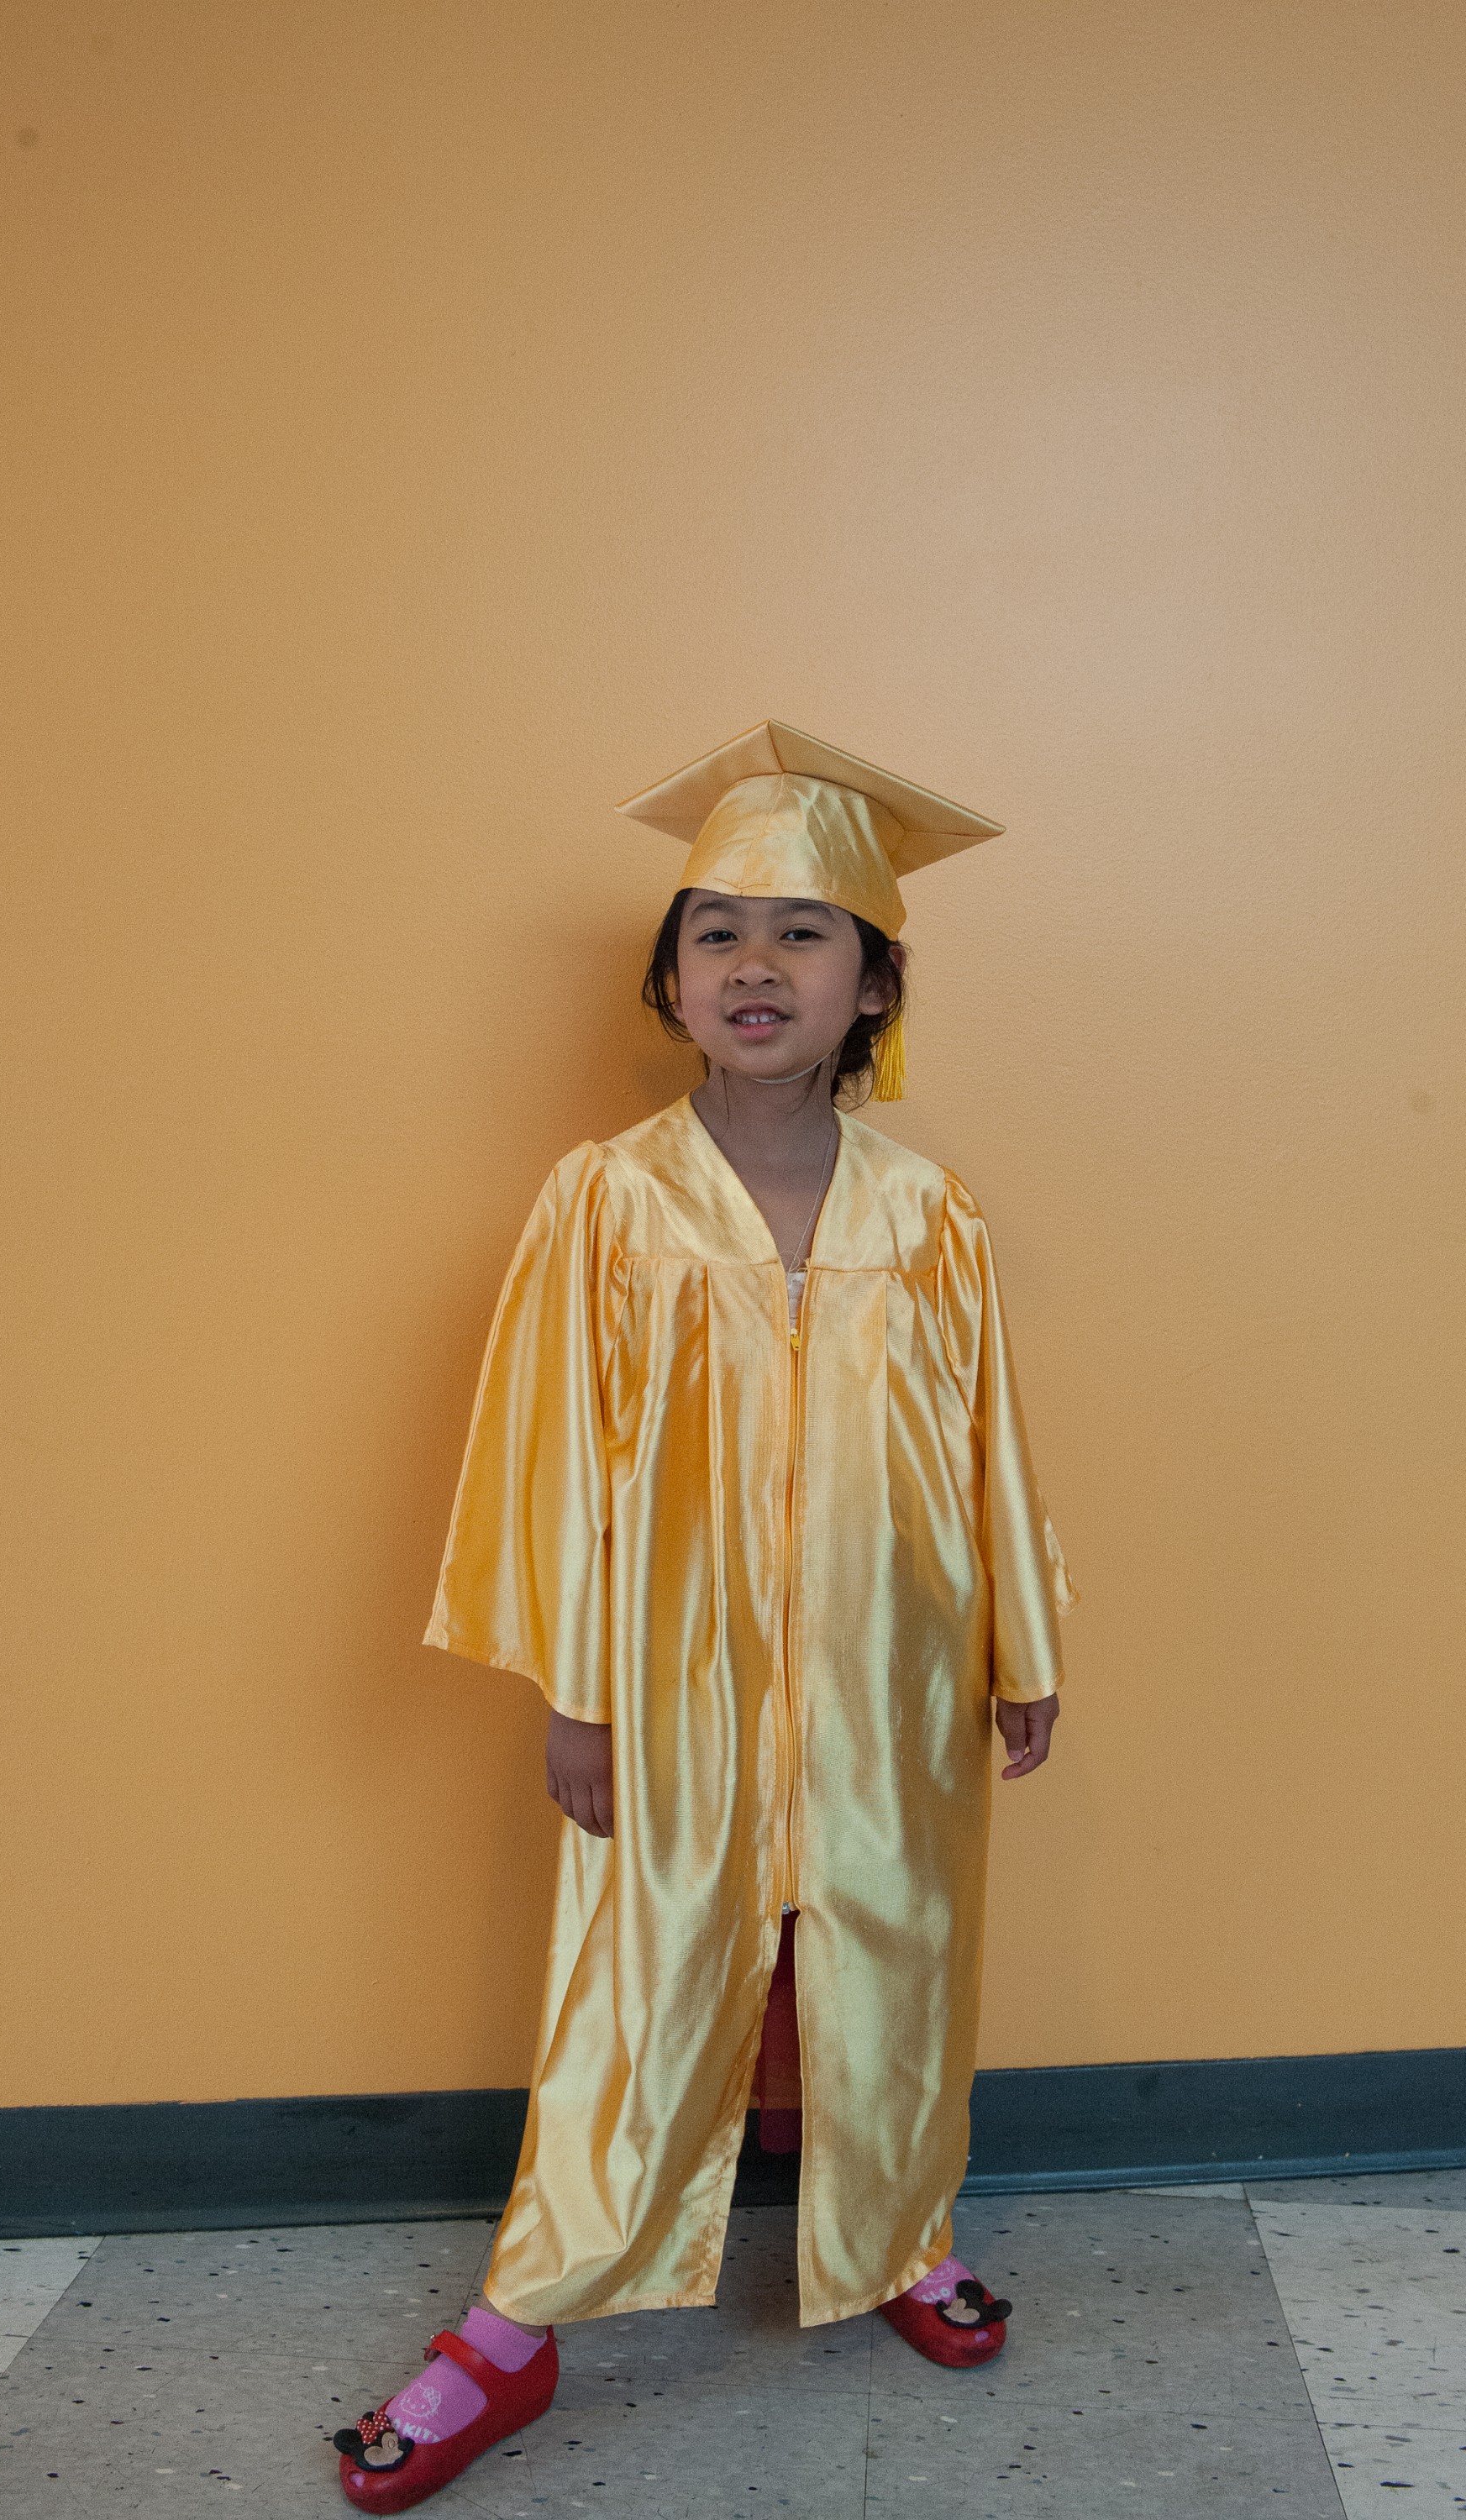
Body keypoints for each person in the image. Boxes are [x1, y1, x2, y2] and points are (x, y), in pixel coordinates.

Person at [334, 722, 1075, 2512]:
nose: (756, 963)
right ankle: (516, 2321)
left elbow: (989, 1440)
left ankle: (899, 2236)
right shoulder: (609, 1199)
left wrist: (1019, 1648)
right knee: (643, 1970)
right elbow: (540, 1460)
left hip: (894, 1674)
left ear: (871, 983)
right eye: (717, 930)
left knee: (896, 1954)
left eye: (804, 932)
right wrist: (580, 1691)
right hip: (671, 1682)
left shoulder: (931, 1212)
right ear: (669, 981)